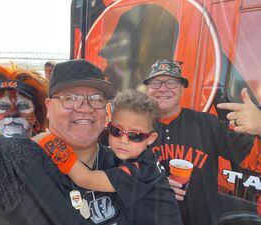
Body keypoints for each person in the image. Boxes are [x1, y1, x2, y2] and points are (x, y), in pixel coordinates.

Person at [34, 89, 183, 225]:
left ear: (151, 138)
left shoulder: (140, 169)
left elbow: (86, 179)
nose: (123, 140)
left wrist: (50, 142)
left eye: (135, 135)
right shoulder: (139, 157)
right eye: (116, 131)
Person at [142, 59, 261, 225]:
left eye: (171, 82)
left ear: (182, 88)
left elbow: (253, 161)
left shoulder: (208, 123)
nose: (162, 88)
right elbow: (115, 174)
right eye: (156, 82)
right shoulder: (136, 128)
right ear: (148, 89)